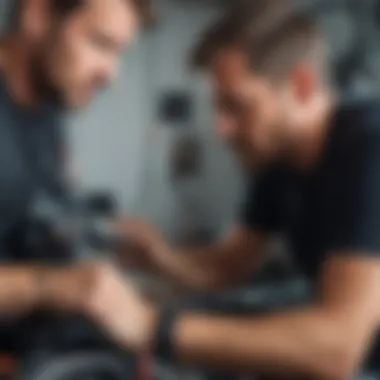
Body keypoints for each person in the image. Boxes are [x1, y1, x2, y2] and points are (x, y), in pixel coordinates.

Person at [89, 2, 380, 379]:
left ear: (302, 86)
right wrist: (160, 257)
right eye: (219, 107)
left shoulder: (368, 151)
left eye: (239, 106)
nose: (222, 129)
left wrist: (151, 327)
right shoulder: (279, 159)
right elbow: (230, 264)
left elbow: (337, 348)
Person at [0, 0, 148, 346]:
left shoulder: (46, 105)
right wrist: (50, 286)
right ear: (38, 15)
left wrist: (102, 234)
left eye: (119, 53)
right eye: (100, 43)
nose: (111, 74)